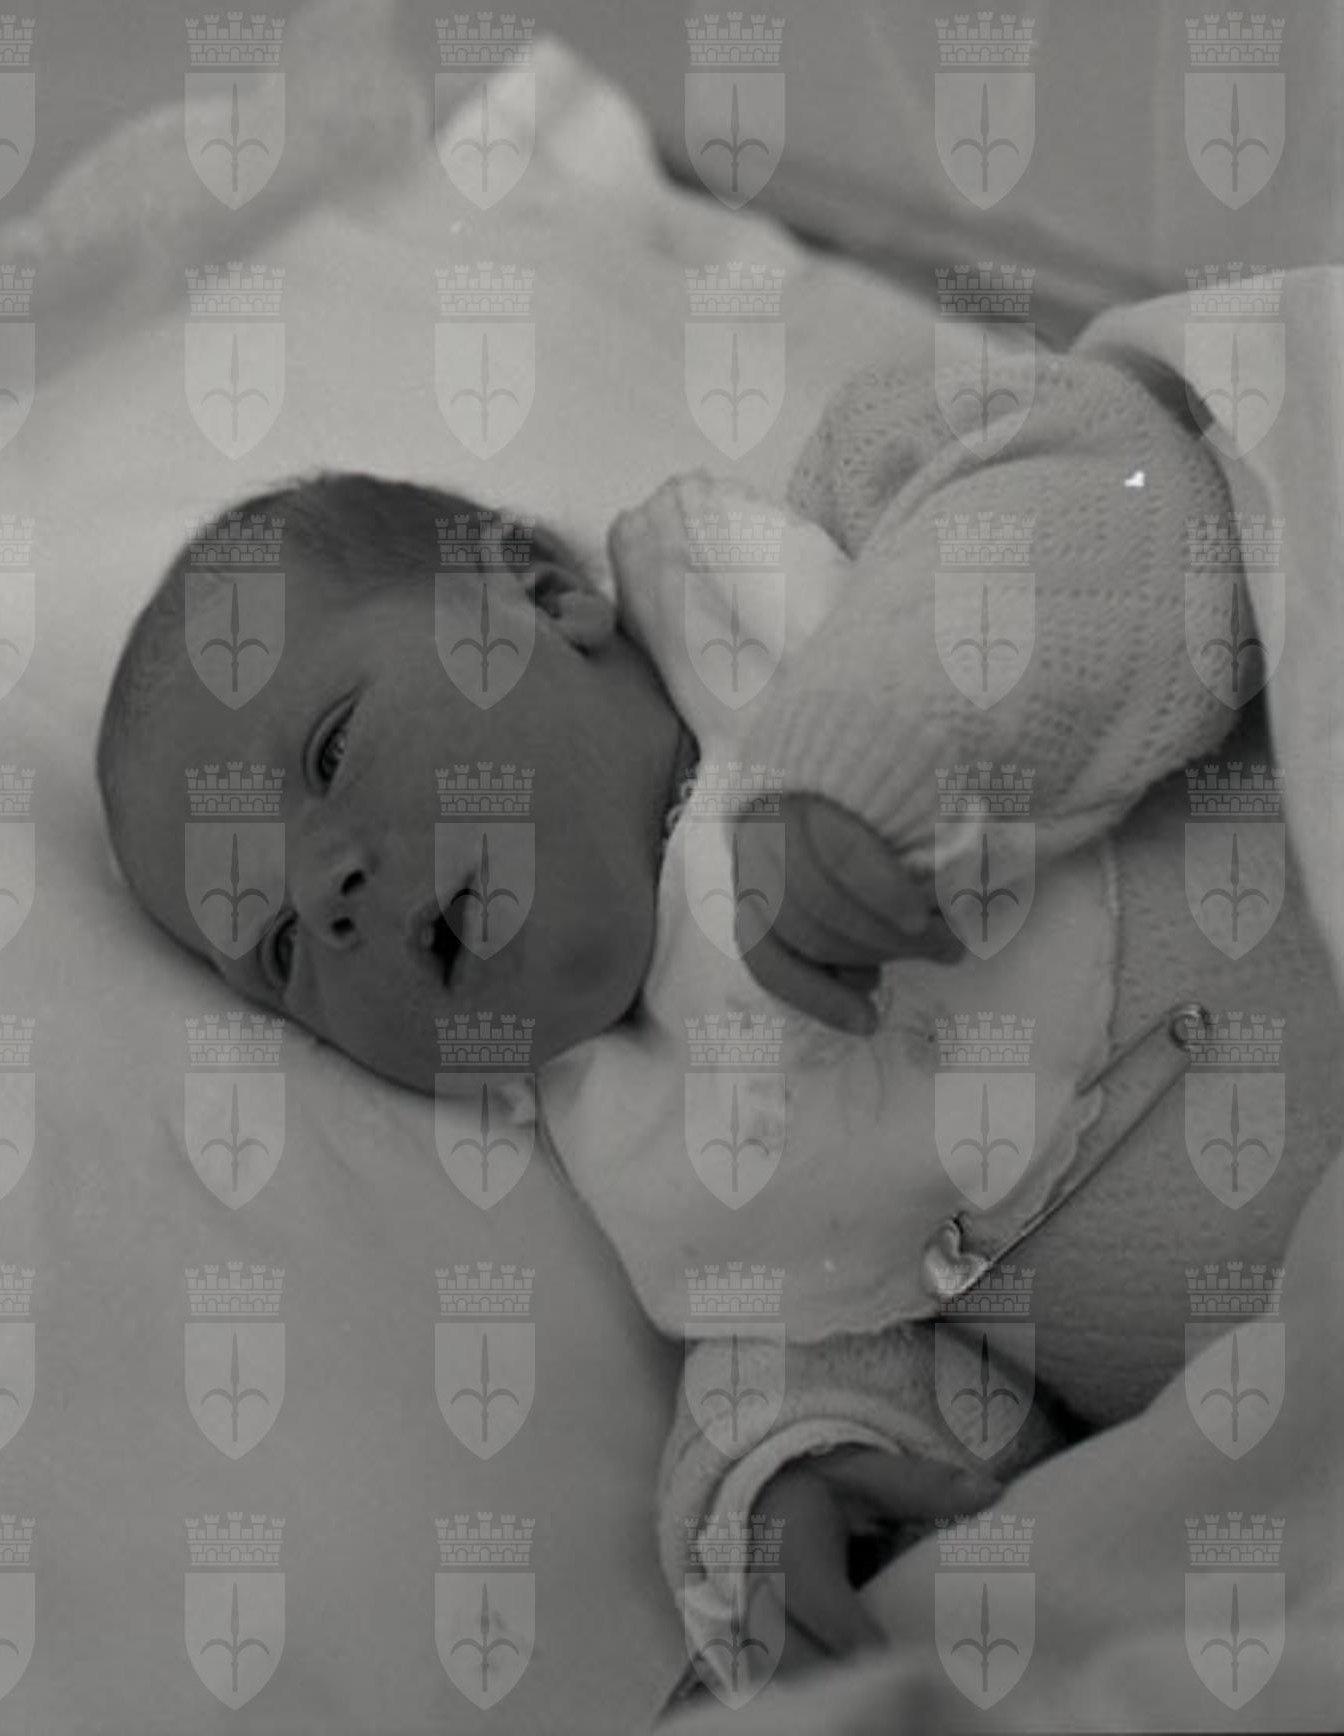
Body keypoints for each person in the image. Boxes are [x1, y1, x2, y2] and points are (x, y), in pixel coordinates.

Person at [95, 345, 1344, 1669]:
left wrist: (881, 739)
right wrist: (796, 1470)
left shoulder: (817, 555)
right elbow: (848, 1314)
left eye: (331, 749)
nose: (327, 888)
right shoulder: (653, 1148)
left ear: (544, 599)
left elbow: (1128, 491)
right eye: (280, 945)